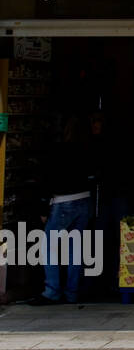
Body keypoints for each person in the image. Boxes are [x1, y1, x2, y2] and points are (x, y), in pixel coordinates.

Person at [29, 103, 99, 306]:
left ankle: (51, 290)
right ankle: (72, 292)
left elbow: (48, 180)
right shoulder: (88, 150)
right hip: (84, 200)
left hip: (63, 203)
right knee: (74, 249)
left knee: (48, 247)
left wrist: (43, 209)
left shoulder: (59, 150)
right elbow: (93, 176)